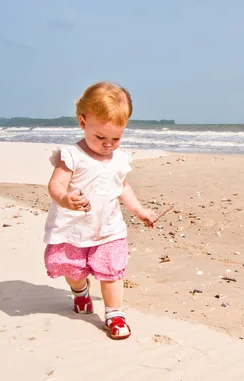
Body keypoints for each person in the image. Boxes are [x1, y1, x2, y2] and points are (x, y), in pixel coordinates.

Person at [43, 82, 157, 340]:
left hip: (108, 228)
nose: (108, 144)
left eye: (116, 138)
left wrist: (138, 209)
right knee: (71, 269)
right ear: (83, 123)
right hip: (74, 229)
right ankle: (81, 291)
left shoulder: (120, 159)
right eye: (101, 137)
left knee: (111, 270)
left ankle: (114, 313)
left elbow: (123, 186)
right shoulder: (72, 155)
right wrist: (64, 198)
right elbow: (55, 184)